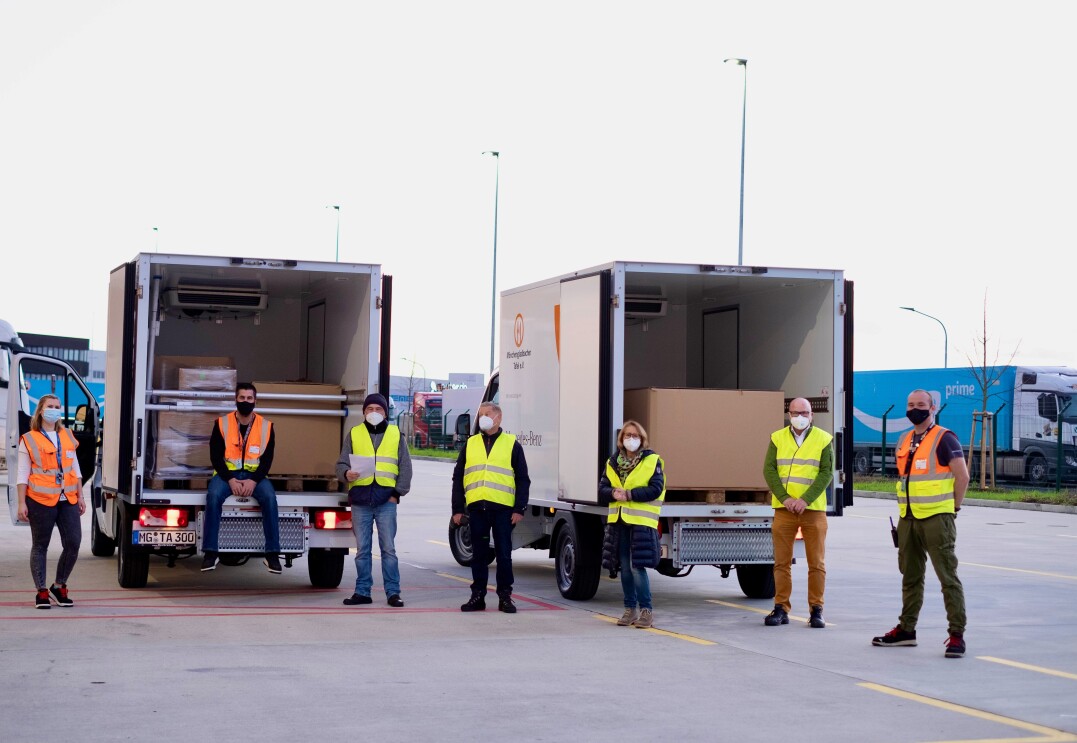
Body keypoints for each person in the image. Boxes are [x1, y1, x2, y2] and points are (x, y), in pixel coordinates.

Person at [873, 389, 969, 658]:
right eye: (911, 404)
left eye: (921, 404)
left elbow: (962, 476)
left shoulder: (944, 437)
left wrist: (953, 508)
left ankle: (956, 635)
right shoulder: (905, 440)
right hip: (908, 519)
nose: (915, 408)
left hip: (937, 519)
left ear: (933, 407)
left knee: (947, 578)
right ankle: (906, 630)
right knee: (910, 577)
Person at [451, 402, 530, 613]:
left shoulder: (511, 444)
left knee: (504, 555)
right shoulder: (471, 444)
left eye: (487, 414)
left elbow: (523, 479)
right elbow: (458, 477)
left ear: (498, 418)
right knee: (479, 555)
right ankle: (478, 596)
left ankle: (505, 597)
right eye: (481, 414)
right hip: (477, 510)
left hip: (503, 511)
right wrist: (457, 510)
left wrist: (519, 509)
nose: (483, 417)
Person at [762, 398, 834, 628]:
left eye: (804, 412)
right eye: (795, 412)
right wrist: (786, 498)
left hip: (812, 509)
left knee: (817, 563)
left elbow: (826, 473)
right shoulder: (777, 437)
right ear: (789, 414)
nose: (799, 416)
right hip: (785, 509)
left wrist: (805, 500)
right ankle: (781, 607)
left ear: (812, 415)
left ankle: (817, 609)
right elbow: (769, 470)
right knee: (781, 563)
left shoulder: (823, 439)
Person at [337, 393, 412, 607]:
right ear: (364, 412)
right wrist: (346, 474)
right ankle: (362, 592)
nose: (374, 413)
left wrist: (397, 494)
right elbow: (341, 464)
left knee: (388, 549)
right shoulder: (354, 433)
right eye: (370, 409)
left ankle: (393, 592)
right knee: (362, 550)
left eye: (378, 409)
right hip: (360, 500)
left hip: (386, 501)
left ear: (385, 412)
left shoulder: (396, 434)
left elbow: (405, 467)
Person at [201, 383, 281, 574]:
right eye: (242, 398)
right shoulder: (222, 423)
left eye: (249, 398)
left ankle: (272, 555)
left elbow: (267, 460)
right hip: (227, 475)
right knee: (213, 496)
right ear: (235, 400)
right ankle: (210, 553)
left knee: (270, 499)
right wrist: (230, 479)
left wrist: (253, 480)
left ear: (255, 401)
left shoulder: (266, 426)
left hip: (255, 477)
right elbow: (215, 457)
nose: (246, 402)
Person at [16, 395, 84, 609]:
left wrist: (81, 495)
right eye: (50, 407)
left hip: (68, 498)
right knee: (40, 546)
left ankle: (59, 585)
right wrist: (21, 503)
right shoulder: (29, 438)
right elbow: (22, 474)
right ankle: (42, 591)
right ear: (41, 411)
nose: (54, 410)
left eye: (57, 407)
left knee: (73, 542)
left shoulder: (67, 435)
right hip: (40, 499)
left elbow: (76, 468)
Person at [599, 420, 665, 629]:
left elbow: (656, 488)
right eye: (627, 435)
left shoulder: (652, 460)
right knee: (625, 569)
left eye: (635, 435)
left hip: (640, 521)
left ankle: (646, 611)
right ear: (621, 439)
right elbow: (602, 488)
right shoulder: (613, 462)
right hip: (619, 521)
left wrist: (629, 494)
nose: (631, 439)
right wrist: (612, 493)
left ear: (642, 438)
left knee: (638, 568)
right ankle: (629, 609)